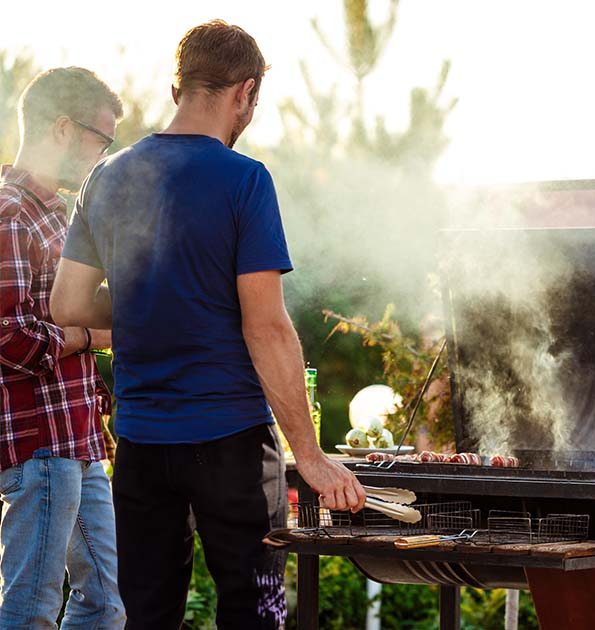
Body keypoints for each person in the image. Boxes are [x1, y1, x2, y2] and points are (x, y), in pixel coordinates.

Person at [50, 20, 365, 629]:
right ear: (245, 93)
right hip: (231, 448)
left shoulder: (107, 178)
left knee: (147, 616)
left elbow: (69, 305)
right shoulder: (244, 180)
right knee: (254, 614)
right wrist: (313, 457)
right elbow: (267, 328)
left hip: (140, 447)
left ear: (177, 90)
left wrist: (151, 302)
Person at [0, 67, 125, 629]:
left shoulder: (56, 215)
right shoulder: (10, 213)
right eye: (101, 139)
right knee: (32, 611)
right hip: (39, 448)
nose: (103, 155)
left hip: (77, 441)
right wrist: (90, 338)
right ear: (61, 128)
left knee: (105, 605)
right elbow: (7, 336)